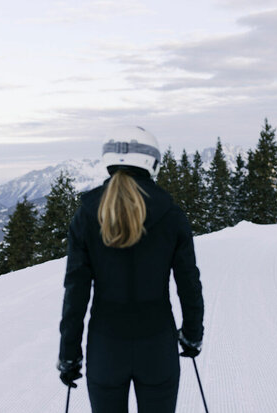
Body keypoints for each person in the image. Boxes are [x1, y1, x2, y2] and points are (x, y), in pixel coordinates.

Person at [57, 126, 205, 413]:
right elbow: (189, 282)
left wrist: (69, 353)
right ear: (152, 161)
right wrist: (192, 333)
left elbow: (75, 292)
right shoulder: (171, 215)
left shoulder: (86, 216)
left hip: (105, 348)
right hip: (157, 345)